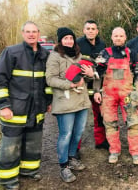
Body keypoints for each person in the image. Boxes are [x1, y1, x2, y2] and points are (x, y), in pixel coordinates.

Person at [0, 21, 51, 190]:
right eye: (28, 31)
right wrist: (4, 106)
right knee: (10, 147)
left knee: (33, 144)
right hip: (15, 110)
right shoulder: (12, 52)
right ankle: (7, 180)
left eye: (34, 31)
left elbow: (46, 82)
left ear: (39, 33)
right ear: (22, 33)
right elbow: (0, 81)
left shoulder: (44, 55)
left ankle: (29, 171)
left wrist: (48, 102)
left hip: (36, 109)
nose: (31, 34)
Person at [46, 27, 93, 183]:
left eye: (71, 38)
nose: (69, 41)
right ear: (60, 41)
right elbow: (50, 79)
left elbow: (83, 77)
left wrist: (90, 75)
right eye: (65, 38)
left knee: (78, 133)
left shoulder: (79, 56)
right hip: (64, 103)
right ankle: (63, 166)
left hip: (81, 102)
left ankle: (72, 158)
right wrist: (69, 85)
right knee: (65, 135)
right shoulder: (54, 57)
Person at [93, 27, 138, 165]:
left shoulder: (132, 53)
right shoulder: (105, 53)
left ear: (125, 37)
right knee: (110, 124)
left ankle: (136, 152)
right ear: (112, 37)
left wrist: (137, 92)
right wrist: (96, 91)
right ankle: (114, 150)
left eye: (121, 35)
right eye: (116, 36)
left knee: (133, 123)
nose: (118, 38)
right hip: (108, 95)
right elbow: (97, 74)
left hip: (127, 94)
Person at [77, 20, 108, 151]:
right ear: (84, 30)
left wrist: (95, 74)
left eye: (93, 28)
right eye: (88, 28)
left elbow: (103, 65)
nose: (90, 31)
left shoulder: (102, 45)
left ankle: (100, 141)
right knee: (78, 116)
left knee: (100, 115)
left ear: (97, 31)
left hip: (97, 84)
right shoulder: (78, 44)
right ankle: (75, 147)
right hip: (81, 84)